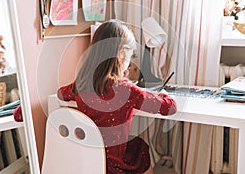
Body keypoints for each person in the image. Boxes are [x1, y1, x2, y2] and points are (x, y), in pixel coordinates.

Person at [57, 19, 177, 174]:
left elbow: (61, 94)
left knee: (135, 145)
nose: (130, 61)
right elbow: (170, 108)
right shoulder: (123, 89)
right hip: (115, 165)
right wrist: (163, 95)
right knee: (140, 148)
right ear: (120, 54)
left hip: (90, 160)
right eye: (130, 55)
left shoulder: (80, 85)